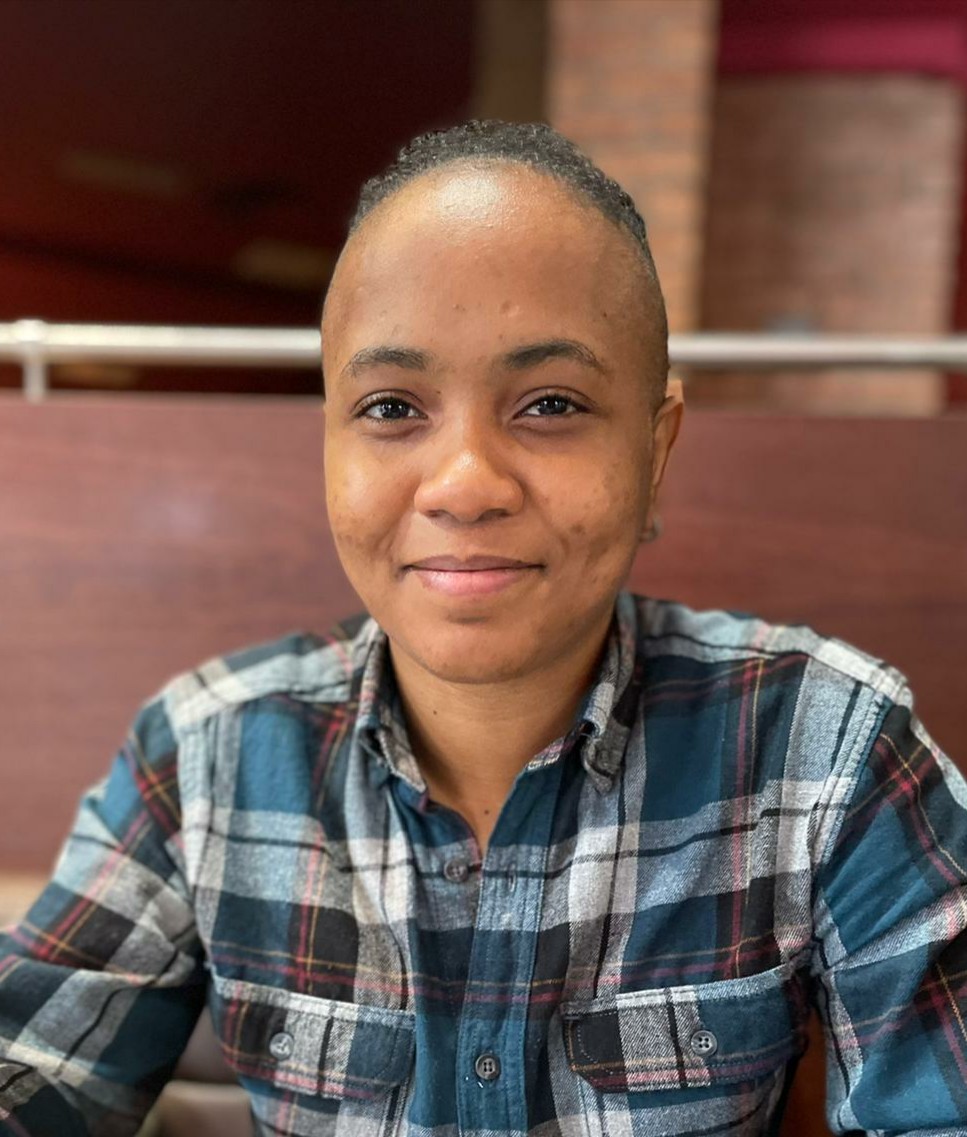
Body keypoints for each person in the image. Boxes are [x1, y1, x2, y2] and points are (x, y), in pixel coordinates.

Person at [1, 120, 965, 1137]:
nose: (463, 484)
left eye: (549, 403)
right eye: (389, 408)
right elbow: (32, 1068)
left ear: (654, 453)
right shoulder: (205, 756)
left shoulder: (827, 750)